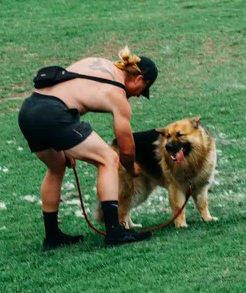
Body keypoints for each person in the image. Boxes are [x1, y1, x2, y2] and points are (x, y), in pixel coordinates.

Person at [18, 47, 158, 251]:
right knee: (109, 159)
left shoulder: (99, 64)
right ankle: (114, 232)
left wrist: (65, 145)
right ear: (138, 79)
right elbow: (126, 149)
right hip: (54, 113)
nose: (137, 96)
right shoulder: (117, 94)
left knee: (56, 168)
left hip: (29, 110)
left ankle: (52, 237)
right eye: (142, 91)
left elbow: (72, 92)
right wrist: (132, 168)